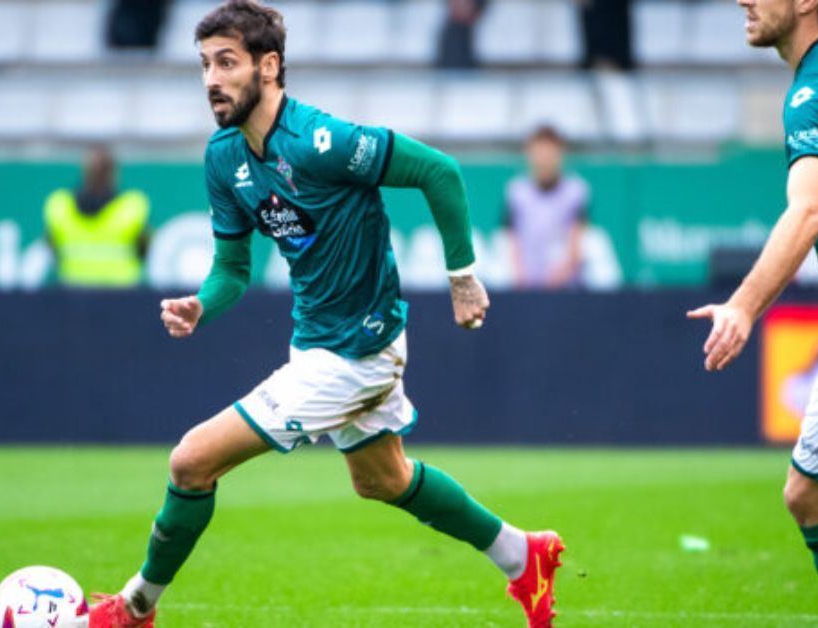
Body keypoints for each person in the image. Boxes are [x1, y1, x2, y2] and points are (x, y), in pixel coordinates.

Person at [88, 2, 564, 626]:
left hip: (355, 353)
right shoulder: (223, 157)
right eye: (204, 64)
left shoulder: (322, 140)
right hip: (317, 342)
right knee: (382, 479)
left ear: (270, 65)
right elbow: (232, 270)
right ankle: (522, 555)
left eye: (227, 62)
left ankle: (134, 607)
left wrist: (462, 278)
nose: (211, 79)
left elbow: (437, 171)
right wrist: (202, 304)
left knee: (190, 460)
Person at [689, 0, 818, 625]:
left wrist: (744, 308)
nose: (743, 0)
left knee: (808, 496)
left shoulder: (816, 92)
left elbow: (808, 211)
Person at [44, 147, 150, 288]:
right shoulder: (133, 206)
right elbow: (144, 249)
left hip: (74, 291)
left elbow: (52, 249)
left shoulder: (59, 205)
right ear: (113, 174)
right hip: (121, 293)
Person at [503, 125, 590, 290]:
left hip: (566, 290)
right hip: (526, 289)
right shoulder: (516, 192)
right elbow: (510, 240)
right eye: (539, 153)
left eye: (549, 153)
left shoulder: (576, 191)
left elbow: (576, 240)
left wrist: (560, 276)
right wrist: (519, 279)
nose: (544, 160)